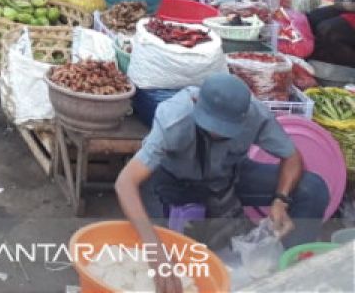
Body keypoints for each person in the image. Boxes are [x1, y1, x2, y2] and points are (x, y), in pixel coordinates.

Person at [115, 74, 329, 291]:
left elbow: (292, 157)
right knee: (164, 265)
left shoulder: (254, 113)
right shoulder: (174, 117)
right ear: (197, 104)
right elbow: (125, 182)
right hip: (171, 181)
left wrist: (281, 200)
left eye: (227, 130)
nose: (218, 133)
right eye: (211, 127)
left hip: (226, 177)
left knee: (312, 189)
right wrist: (156, 251)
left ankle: (290, 277)